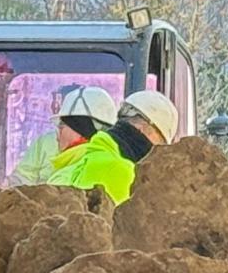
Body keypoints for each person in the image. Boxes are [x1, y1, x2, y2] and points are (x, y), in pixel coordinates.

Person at [47, 89, 179, 204]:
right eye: (159, 143)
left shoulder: (64, 172)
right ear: (143, 130)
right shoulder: (127, 175)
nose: (157, 152)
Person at [11, 85, 117, 185]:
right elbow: (19, 180)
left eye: (61, 126)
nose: (57, 136)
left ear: (80, 129)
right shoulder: (120, 164)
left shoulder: (65, 177)